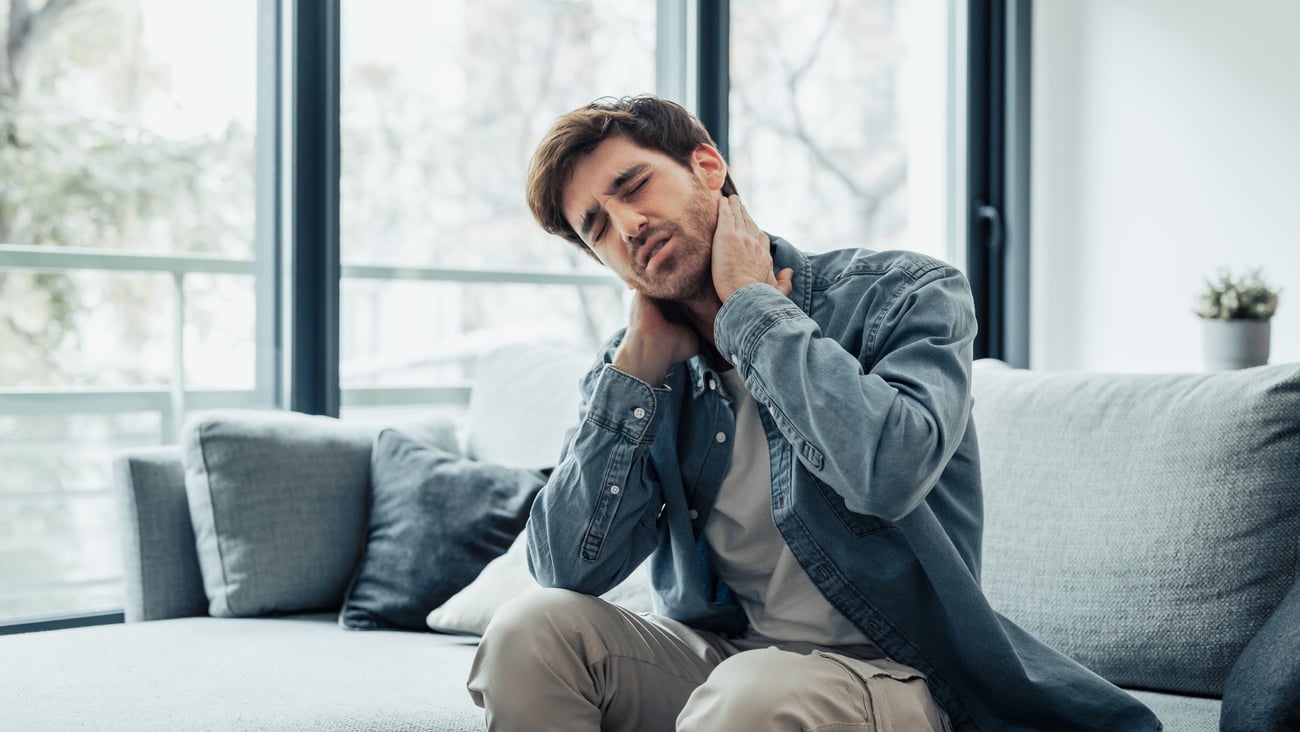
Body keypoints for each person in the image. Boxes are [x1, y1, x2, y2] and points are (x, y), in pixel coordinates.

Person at [466, 95, 1160, 731]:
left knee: (752, 695)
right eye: (598, 229)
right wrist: (637, 370)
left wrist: (751, 314)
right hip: (729, 660)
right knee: (527, 631)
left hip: (895, 670)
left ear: (708, 167)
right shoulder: (639, 370)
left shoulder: (904, 294)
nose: (627, 226)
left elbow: (887, 472)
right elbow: (564, 569)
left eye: (632, 186)